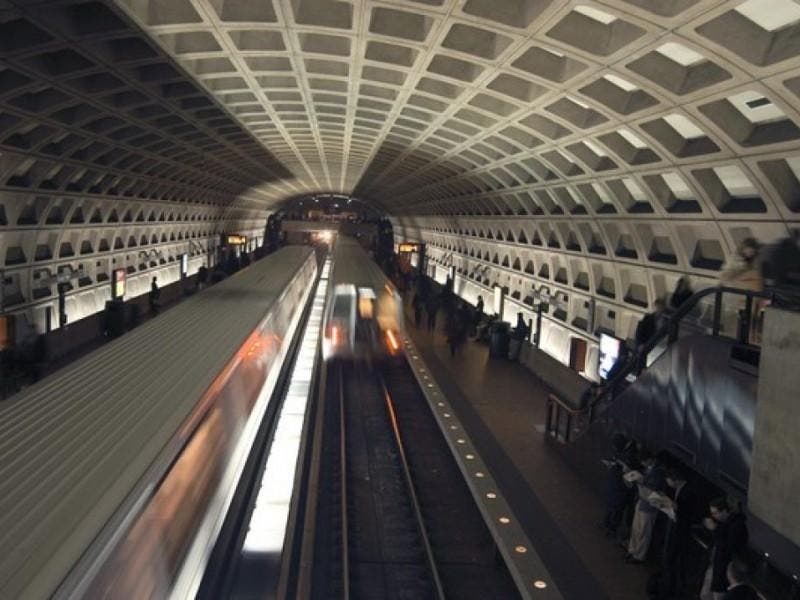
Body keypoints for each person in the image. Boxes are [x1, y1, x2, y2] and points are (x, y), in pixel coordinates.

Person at [658, 468, 698, 599]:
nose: (667, 483)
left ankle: (670, 591)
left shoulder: (688, 492)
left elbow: (687, 512)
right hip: (676, 529)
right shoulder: (681, 489)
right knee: (670, 561)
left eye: (668, 480)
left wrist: (676, 508)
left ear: (675, 480)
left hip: (679, 533)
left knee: (673, 563)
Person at [700, 497, 749, 600]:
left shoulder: (736, 526)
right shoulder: (723, 523)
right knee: (705, 595)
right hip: (715, 565)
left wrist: (715, 529)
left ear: (725, 511)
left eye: (716, 513)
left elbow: (727, 547)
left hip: (724, 569)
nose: (713, 516)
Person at [625, 451, 666, 564]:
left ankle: (639, 555)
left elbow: (653, 488)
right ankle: (632, 549)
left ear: (651, 459)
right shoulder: (650, 469)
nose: (643, 464)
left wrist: (641, 481)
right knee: (636, 528)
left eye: (645, 461)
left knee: (644, 531)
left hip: (649, 506)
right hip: (641, 501)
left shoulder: (659, 471)